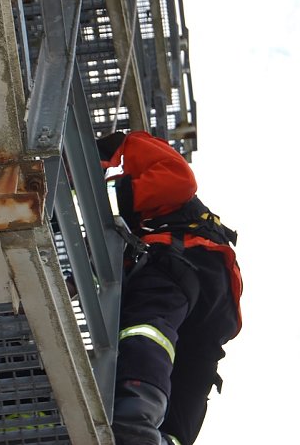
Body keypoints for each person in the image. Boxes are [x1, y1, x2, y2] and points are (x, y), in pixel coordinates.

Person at [97, 131, 243, 445]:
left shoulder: (126, 149)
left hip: (182, 256)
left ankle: (135, 420)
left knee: (145, 327)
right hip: (214, 292)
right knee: (194, 369)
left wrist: (116, 195)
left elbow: (179, 180)